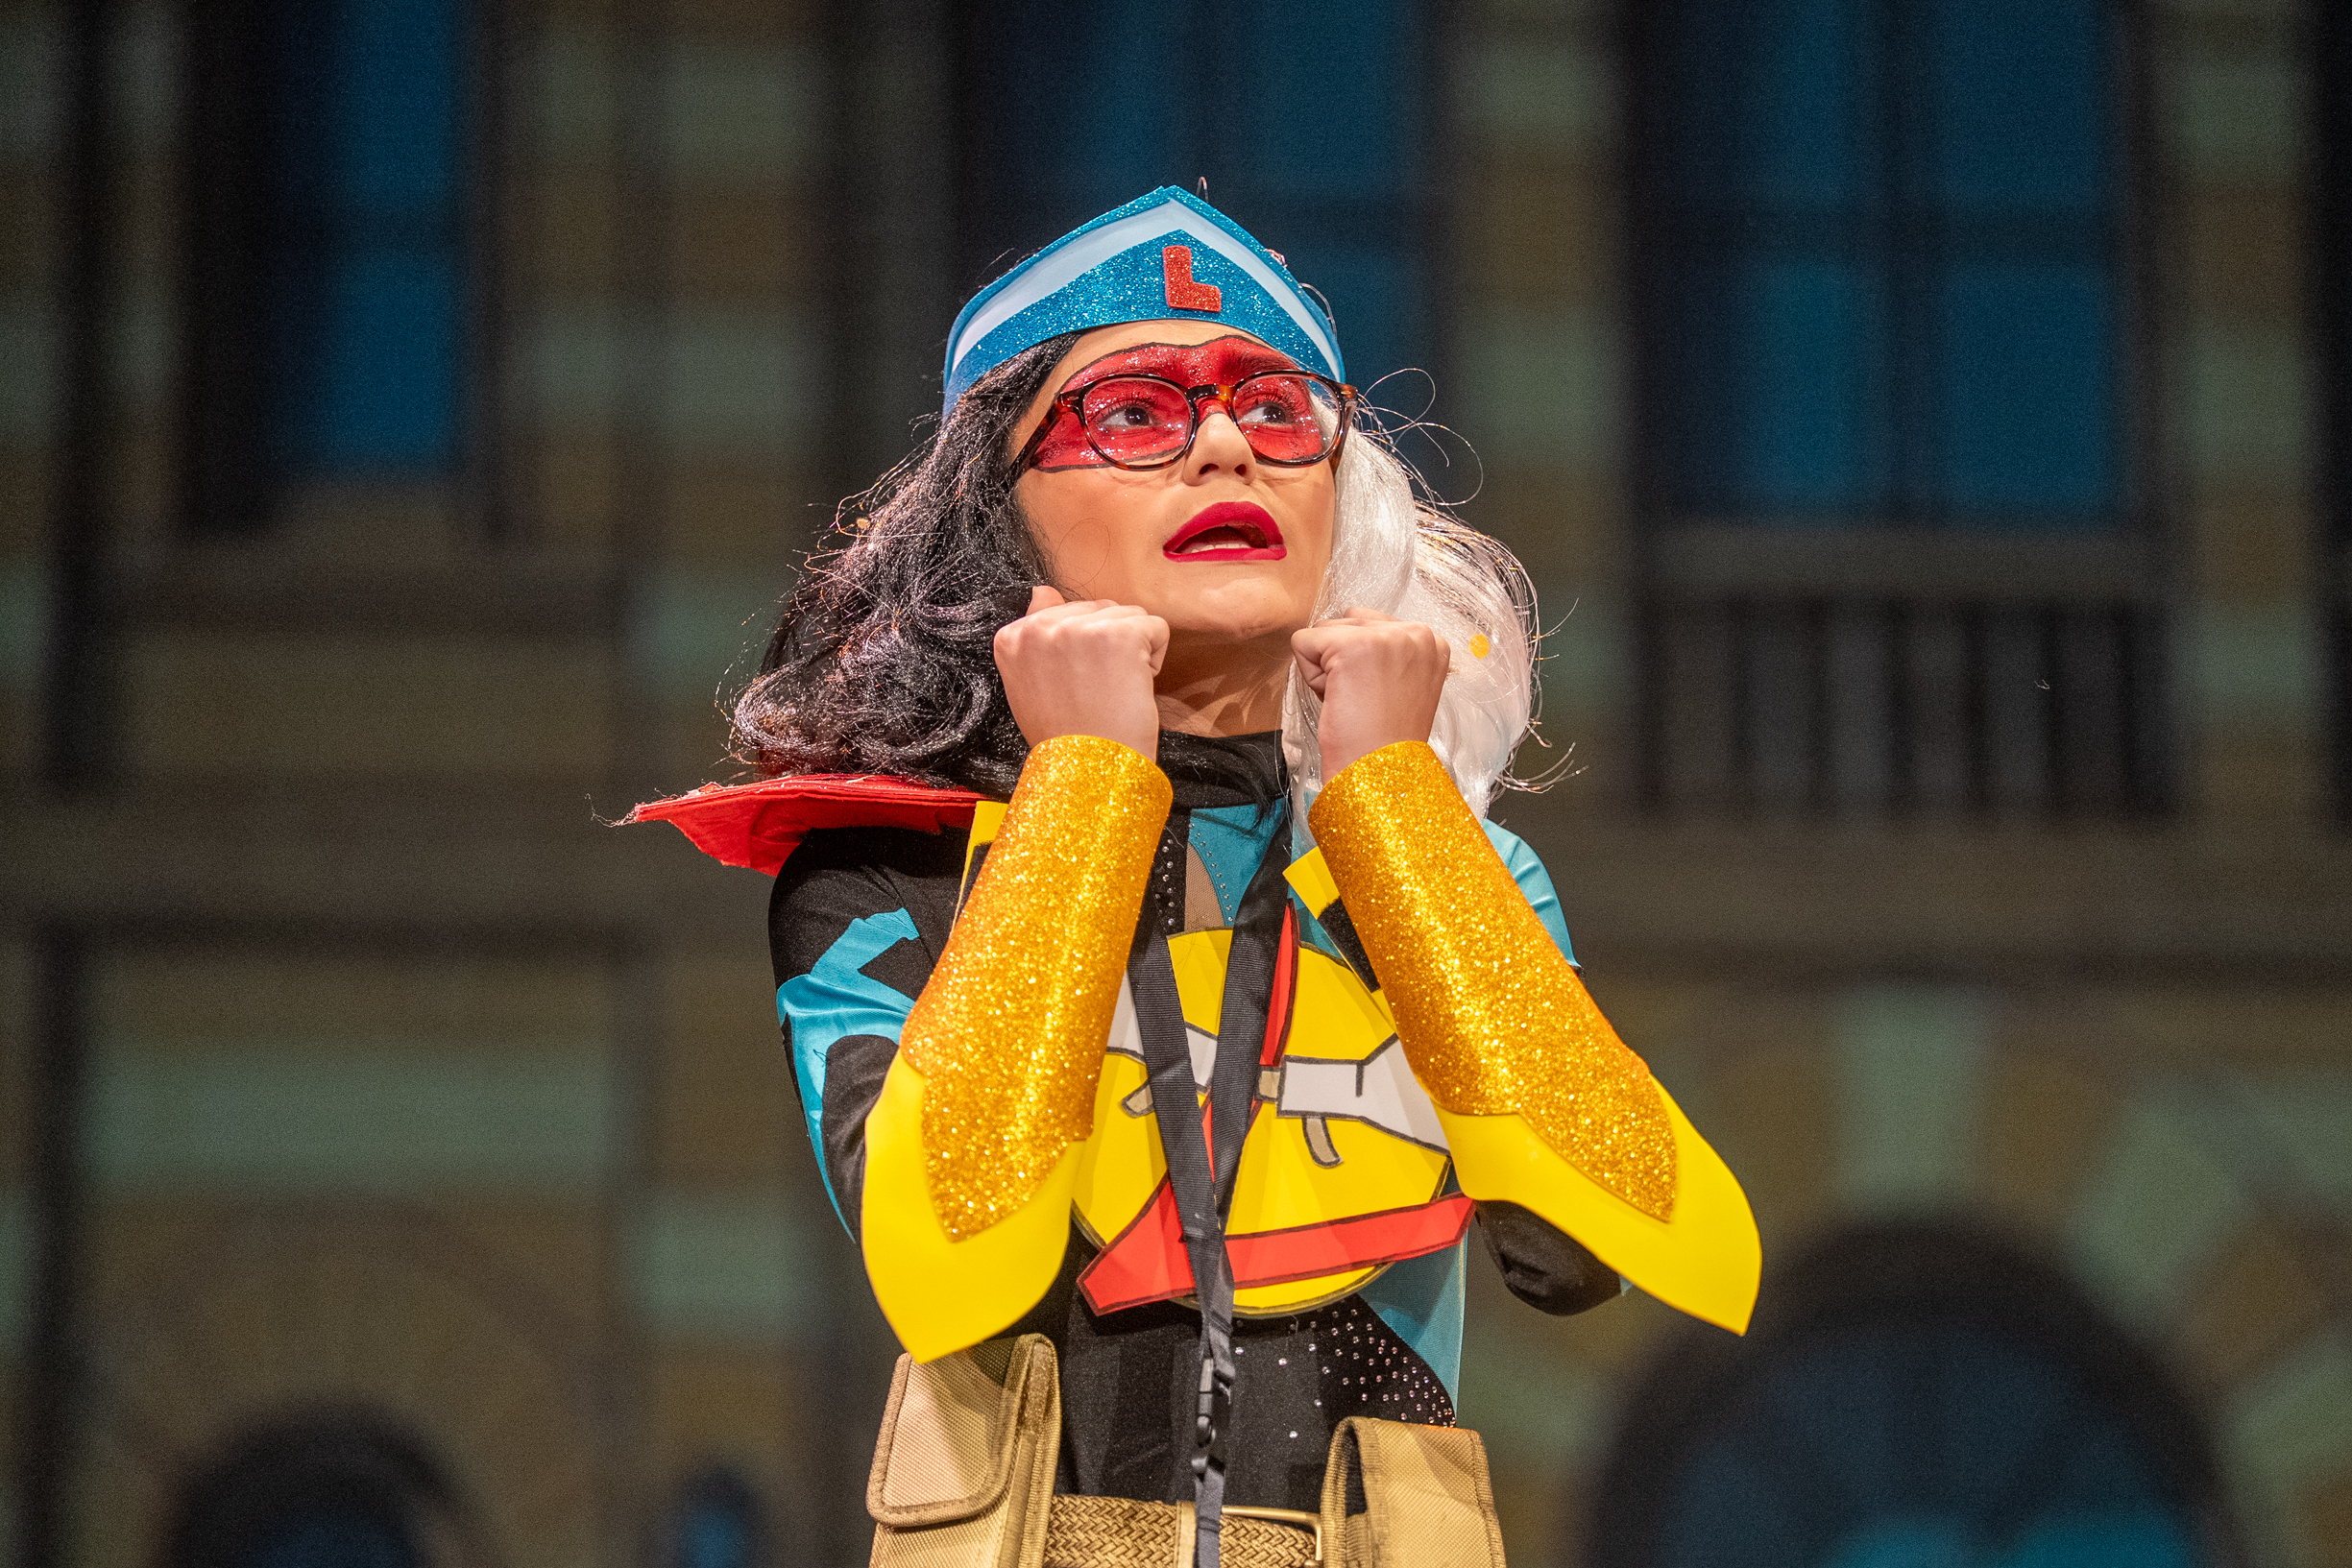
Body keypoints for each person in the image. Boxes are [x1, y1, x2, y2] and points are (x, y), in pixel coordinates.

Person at [638, 187, 1758, 1568]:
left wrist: (1390, 813)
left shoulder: (1457, 863)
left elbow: (1589, 1245)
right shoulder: (889, 860)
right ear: (1002, 509)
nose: (1224, 442)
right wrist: (1087, 790)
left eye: (1275, 409)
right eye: (1134, 411)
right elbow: (942, 1260)